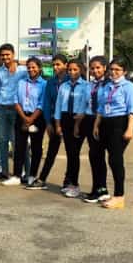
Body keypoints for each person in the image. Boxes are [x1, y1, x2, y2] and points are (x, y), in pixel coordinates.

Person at [93, 58, 133, 210]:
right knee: (98, 156)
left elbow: (132, 110)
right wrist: (96, 125)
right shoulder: (106, 86)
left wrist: (130, 129)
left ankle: (119, 196)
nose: (113, 72)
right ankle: (101, 190)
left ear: (124, 71)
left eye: (117, 70)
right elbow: (101, 107)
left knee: (115, 159)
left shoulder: (129, 88)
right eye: (112, 69)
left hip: (119, 124)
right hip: (105, 123)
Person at [0, 43, 27, 184]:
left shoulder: (22, 70)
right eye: (3, 55)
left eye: (8, 55)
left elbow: (37, 66)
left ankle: (22, 171)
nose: (5, 57)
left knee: (17, 141)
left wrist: (18, 62)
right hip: (2, 109)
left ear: (13, 54)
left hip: (17, 110)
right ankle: (4, 170)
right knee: (2, 141)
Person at [55, 59, 91, 198]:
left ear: (81, 70)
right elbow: (58, 105)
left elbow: (85, 104)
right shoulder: (64, 86)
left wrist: (77, 124)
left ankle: (74, 184)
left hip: (79, 119)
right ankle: (69, 181)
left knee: (74, 152)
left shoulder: (86, 86)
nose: (72, 72)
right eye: (69, 70)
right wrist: (58, 124)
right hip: (66, 118)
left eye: (75, 69)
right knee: (70, 152)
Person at [35, 54, 68, 189]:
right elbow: (47, 103)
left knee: (71, 152)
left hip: (69, 119)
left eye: (58, 64)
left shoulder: (70, 80)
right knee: (51, 151)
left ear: (65, 65)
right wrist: (48, 122)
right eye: (53, 65)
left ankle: (68, 181)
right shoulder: (51, 82)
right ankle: (42, 178)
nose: (55, 67)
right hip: (54, 119)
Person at [82, 56, 110, 204]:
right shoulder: (89, 85)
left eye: (98, 67)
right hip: (89, 119)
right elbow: (85, 103)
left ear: (104, 68)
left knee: (100, 155)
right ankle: (96, 188)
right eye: (92, 68)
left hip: (102, 121)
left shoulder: (109, 84)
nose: (95, 70)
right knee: (94, 155)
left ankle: (102, 189)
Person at [16, 58, 47, 188]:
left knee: (36, 148)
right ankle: (17, 175)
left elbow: (42, 103)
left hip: (37, 117)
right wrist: (24, 117)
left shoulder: (44, 84)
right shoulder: (21, 82)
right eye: (28, 67)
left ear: (39, 68)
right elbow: (16, 100)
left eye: (33, 67)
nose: (31, 69)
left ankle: (32, 175)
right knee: (19, 147)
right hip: (22, 116)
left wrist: (31, 119)